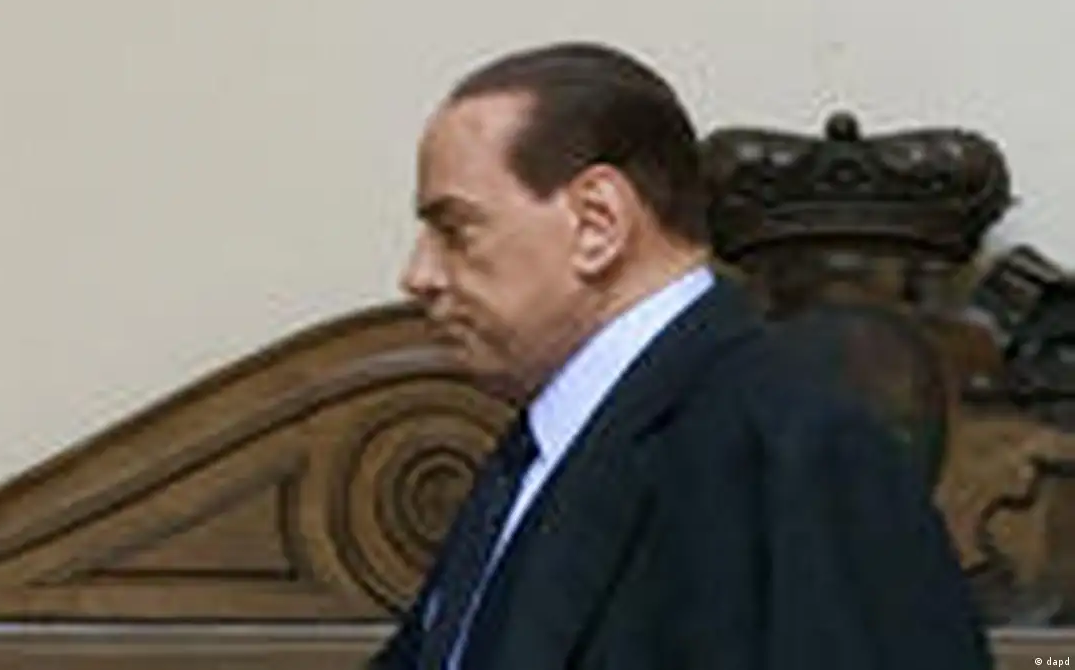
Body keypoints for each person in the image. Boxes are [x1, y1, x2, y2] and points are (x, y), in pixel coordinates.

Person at [369, 41, 991, 670]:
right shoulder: (534, 452)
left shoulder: (802, 451)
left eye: (455, 231)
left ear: (597, 222)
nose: (418, 276)